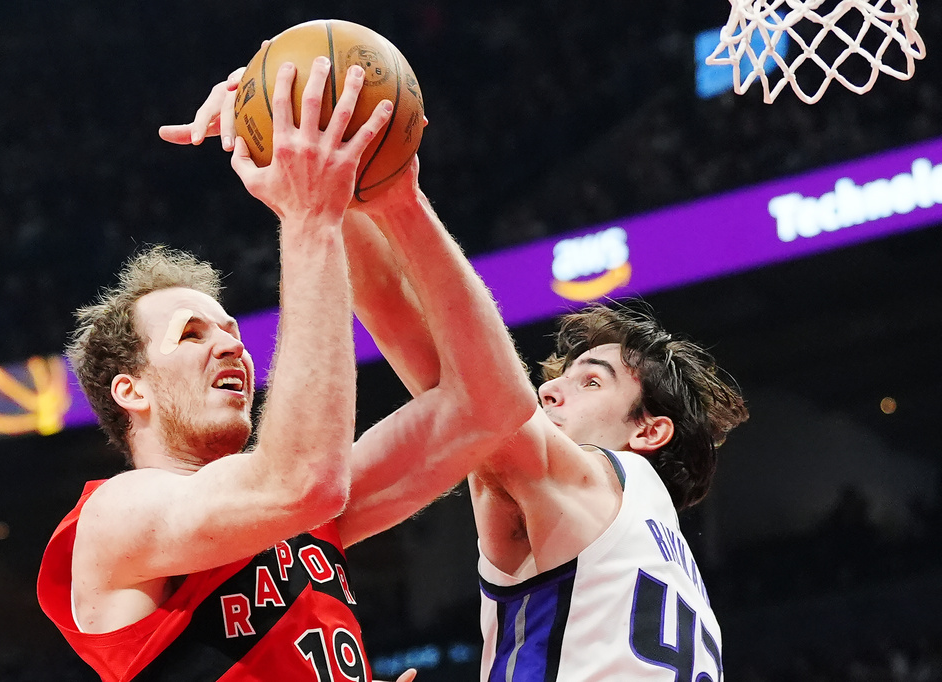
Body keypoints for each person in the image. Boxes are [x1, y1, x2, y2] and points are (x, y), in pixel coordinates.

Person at [178, 62, 748, 681]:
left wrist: (376, 192)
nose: (551, 388)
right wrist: (326, 180)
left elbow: (449, 367)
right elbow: (433, 348)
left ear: (649, 433)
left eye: (592, 380)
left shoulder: (598, 482)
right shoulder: (662, 555)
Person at [37, 57, 537, 682]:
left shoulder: (303, 514)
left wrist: (395, 201)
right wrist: (308, 217)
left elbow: (493, 406)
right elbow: (302, 480)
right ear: (129, 389)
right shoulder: (113, 521)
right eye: (191, 335)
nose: (231, 348)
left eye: (233, 333)